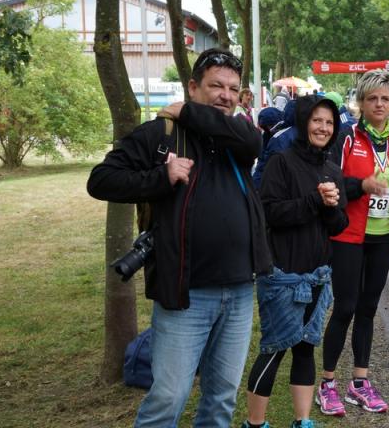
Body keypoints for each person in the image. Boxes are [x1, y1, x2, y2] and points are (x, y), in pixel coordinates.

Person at [87, 48, 270, 428]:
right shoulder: (161, 134)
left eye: (233, 89)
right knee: (168, 398)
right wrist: (161, 177)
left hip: (238, 291)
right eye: (216, 86)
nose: (226, 95)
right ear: (193, 86)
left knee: (222, 398)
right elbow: (101, 180)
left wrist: (187, 111)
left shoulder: (237, 138)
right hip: (186, 294)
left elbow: (254, 143)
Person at [318, 69, 389, 416]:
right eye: (372, 98)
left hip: (382, 238)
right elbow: (329, 182)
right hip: (348, 236)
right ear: (361, 102)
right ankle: (327, 384)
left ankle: (359, 383)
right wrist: (360, 187)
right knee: (345, 307)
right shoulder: (346, 137)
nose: (379, 104)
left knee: (368, 309)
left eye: (385, 98)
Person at [242, 95, 349, 428]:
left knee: (305, 349)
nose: (323, 128)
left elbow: (339, 224)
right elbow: (270, 212)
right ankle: (255, 424)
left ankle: (302, 421)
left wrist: (329, 208)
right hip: (283, 276)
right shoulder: (282, 162)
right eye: (317, 120)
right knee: (274, 349)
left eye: (329, 122)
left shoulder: (332, 168)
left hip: (318, 276)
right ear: (303, 122)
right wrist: (314, 201)